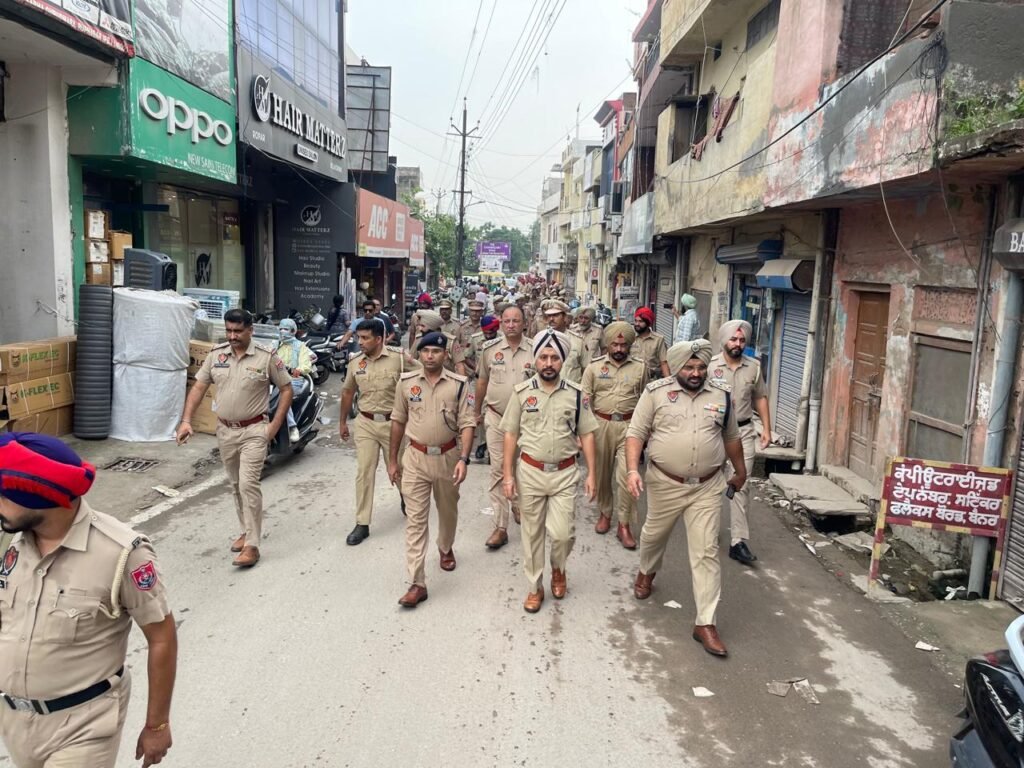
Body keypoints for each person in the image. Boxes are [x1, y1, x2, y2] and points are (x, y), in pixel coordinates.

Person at [0, 433, 177, 767]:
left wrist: (158, 724)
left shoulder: (124, 554)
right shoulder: (14, 544)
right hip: (15, 723)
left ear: (40, 495)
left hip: (83, 727)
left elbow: (162, 636)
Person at [625, 339, 747, 657]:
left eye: (701, 367)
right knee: (653, 535)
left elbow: (731, 436)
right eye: (689, 368)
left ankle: (705, 623)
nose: (696, 373)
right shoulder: (655, 394)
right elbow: (636, 433)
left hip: (707, 486)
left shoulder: (721, 394)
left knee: (706, 551)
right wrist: (632, 471)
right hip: (665, 482)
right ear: (677, 367)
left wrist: (741, 470)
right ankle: (647, 570)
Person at [178, 308, 292, 568]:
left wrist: (273, 427)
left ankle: (253, 545)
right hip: (225, 430)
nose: (232, 336)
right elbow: (199, 387)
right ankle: (245, 529)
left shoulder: (266, 357)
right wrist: (186, 421)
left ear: (250, 330)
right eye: (229, 330)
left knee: (248, 484)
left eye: (238, 331)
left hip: (254, 430)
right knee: (234, 484)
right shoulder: (217, 355)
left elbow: (286, 390)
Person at [500, 330, 598, 613]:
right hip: (530, 471)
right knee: (531, 535)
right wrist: (508, 476)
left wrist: (592, 473)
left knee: (562, 533)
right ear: (535, 359)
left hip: (565, 474)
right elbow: (510, 434)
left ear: (563, 361)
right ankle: (534, 587)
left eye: (554, 357)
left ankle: (559, 568)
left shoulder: (577, 395)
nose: (548, 362)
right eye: (543, 357)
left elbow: (588, 435)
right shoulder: (522, 394)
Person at [387, 333, 476, 608]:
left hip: (448, 457)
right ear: (419, 353)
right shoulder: (406, 384)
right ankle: (417, 582)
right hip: (414, 458)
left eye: (435, 351)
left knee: (448, 511)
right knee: (415, 520)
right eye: (425, 351)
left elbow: (468, 423)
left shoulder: (460, 386)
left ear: (445, 354)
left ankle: (445, 546)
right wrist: (392, 460)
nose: (429, 356)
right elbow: (398, 422)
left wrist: (464, 458)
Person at [339, 318, 409, 545]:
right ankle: (362, 523)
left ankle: (405, 496)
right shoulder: (356, 363)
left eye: (365, 338)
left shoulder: (399, 359)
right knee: (364, 471)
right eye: (359, 337)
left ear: (379, 339)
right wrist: (342, 422)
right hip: (366, 422)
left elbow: (423, 375)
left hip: (394, 424)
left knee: (400, 468)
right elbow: (348, 392)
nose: (360, 342)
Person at [709, 320, 772, 566]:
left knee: (740, 485)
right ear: (724, 340)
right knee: (712, 483)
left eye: (742, 340)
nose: (737, 344)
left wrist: (766, 429)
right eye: (733, 340)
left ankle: (738, 541)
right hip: (714, 432)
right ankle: (709, 532)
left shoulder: (754, 368)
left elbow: (761, 397)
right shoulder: (709, 366)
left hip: (744, 432)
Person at [580, 322, 647, 548]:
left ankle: (624, 524)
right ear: (608, 344)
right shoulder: (594, 368)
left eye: (623, 345)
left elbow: (646, 402)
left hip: (630, 427)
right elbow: (585, 402)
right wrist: (584, 432)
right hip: (601, 425)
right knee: (602, 473)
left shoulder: (640, 368)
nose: (619, 349)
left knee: (626, 475)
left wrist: (645, 432)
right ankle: (605, 513)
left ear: (629, 345)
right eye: (615, 344)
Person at [475, 305, 534, 549]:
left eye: (515, 320)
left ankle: (519, 505)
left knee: (524, 468)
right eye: (507, 321)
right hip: (497, 418)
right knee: (499, 469)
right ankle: (501, 526)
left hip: (529, 421)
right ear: (501, 324)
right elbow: (482, 381)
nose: (511, 325)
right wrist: (475, 411)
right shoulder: (489, 351)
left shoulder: (536, 350)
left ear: (524, 323)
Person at [275, 318, 313, 444]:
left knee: (282, 397)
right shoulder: (275, 344)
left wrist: (299, 369)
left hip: (293, 381)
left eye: (285, 329)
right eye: (280, 329)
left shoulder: (300, 346)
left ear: (293, 331)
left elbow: (306, 364)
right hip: (274, 381)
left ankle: (292, 427)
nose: (282, 332)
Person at [541, 300, 586, 382]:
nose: (551, 319)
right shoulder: (540, 340)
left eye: (555, 315)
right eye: (549, 316)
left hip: (571, 391)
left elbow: (585, 369)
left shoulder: (578, 341)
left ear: (565, 317)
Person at [633, 307, 670, 382]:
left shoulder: (658, 339)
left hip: (652, 381)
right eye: (636, 321)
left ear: (648, 323)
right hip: (633, 380)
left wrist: (668, 382)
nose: (637, 324)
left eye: (640, 321)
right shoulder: (630, 338)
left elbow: (664, 363)